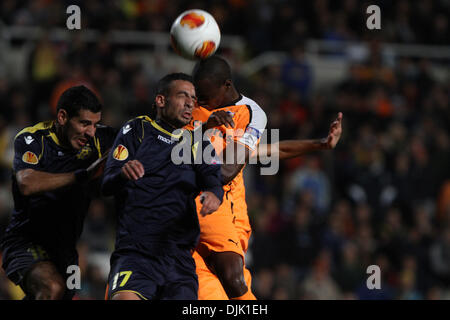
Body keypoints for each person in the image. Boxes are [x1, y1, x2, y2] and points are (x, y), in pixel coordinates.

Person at [188, 55, 343, 300]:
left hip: (222, 209)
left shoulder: (250, 113)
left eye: (206, 94)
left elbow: (232, 169)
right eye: (198, 95)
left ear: (226, 85)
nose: (201, 101)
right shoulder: (196, 109)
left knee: (232, 279)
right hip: (186, 211)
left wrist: (320, 145)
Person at [102, 73, 224, 300]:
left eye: (193, 98)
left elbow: (214, 182)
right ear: (161, 100)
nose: (190, 103)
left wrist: (213, 195)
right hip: (137, 252)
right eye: (182, 95)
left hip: (179, 259)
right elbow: (107, 183)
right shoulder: (137, 129)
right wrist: (122, 173)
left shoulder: (197, 141)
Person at [0, 85, 116, 300]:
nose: (91, 132)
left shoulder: (99, 139)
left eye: (95, 124)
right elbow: (26, 182)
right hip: (25, 243)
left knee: (58, 294)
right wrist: (83, 175)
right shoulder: (33, 139)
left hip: (66, 251)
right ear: (62, 116)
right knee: (52, 287)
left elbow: (142, 142)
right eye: (84, 123)